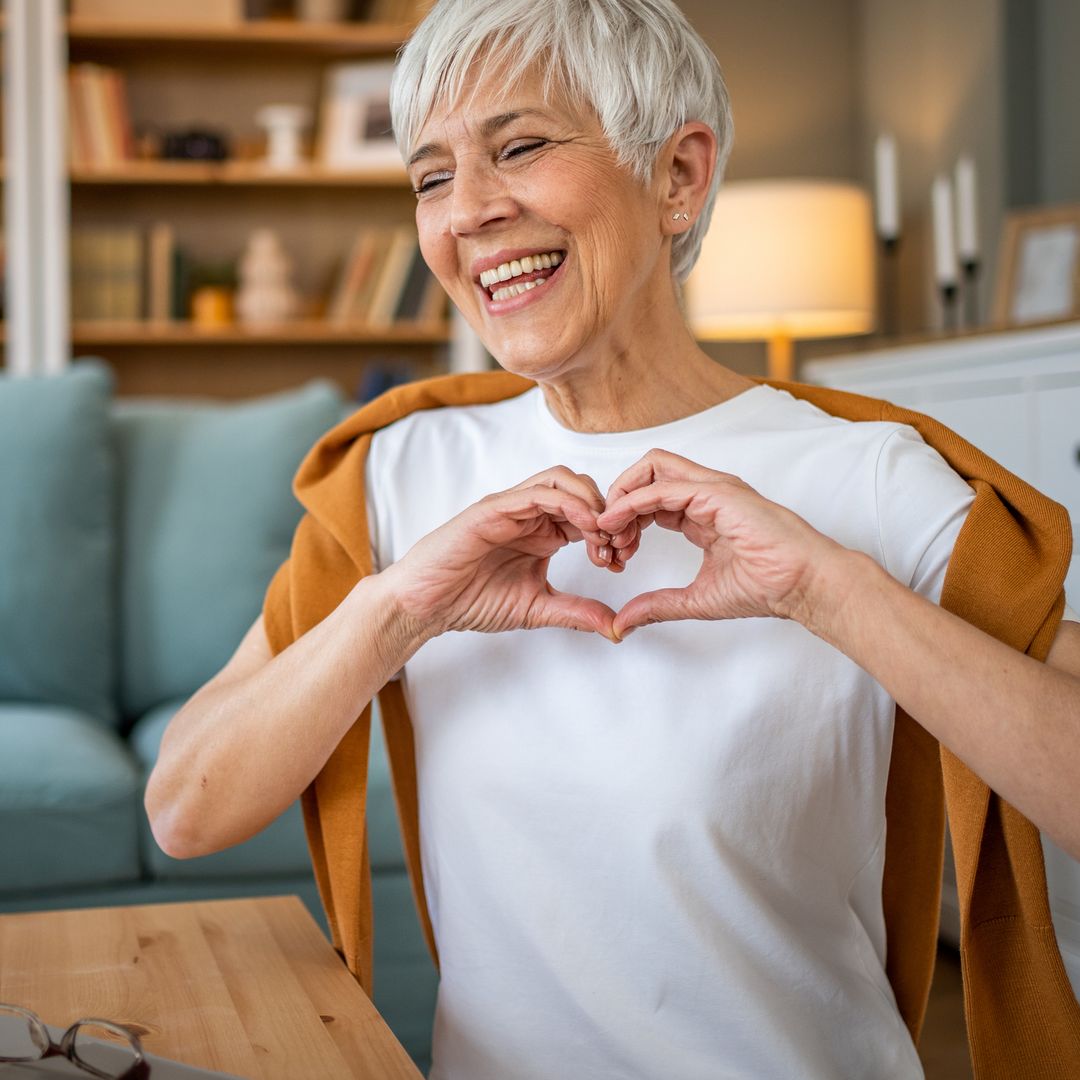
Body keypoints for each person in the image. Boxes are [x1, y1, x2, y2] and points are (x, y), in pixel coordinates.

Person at [145, 1, 1080, 1076]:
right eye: (431, 176)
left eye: (521, 146)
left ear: (678, 176)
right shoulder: (398, 478)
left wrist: (833, 592)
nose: (470, 213)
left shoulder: (865, 476)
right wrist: (400, 608)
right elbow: (185, 807)